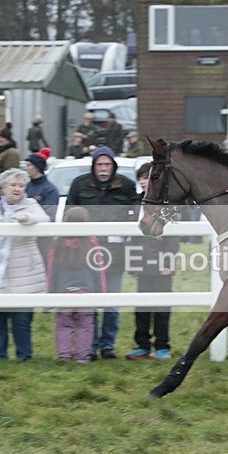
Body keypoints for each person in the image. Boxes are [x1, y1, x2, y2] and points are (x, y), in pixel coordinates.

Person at [66, 146, 140, 360]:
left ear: (113, 166)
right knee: (88, 301)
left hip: (115, 253)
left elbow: (134, 214)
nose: (103, 169)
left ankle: (107, 345)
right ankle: (88, 345)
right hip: (85, 253)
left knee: (112, 302)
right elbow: (69, 214)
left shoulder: (126, 186)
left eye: (107, 164)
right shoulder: (79, 184)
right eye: (99, 164)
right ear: (93, 165)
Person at [0, 168, 50, 361]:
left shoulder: (30, 205)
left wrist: (27, 218)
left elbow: (45, 219)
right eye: (13, 185)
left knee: (22, 319)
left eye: (21, 185)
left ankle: (24, 356)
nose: (17, 189)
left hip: (24, 271)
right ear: (3, 187)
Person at [125, 163, 179, 361]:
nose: (142, 181)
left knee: (162, 309)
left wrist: (168, 263)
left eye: (146, 177)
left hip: (162, 266)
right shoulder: (136, 203)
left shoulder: (167, 205)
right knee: (141, 308)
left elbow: (173, 239)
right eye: (140, 177)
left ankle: (163, 346)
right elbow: (131, 236)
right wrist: (132, 263)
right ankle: (142, 345)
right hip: (141, 264)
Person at [47, 206, 106, 363]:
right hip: (86, 292)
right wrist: (101, 294)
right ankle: (82, 356)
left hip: (63, 292)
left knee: (64, 325)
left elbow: (52, 272)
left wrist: (50, 294)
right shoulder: (92, 243)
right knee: (85, 326)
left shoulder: (57, 244)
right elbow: (98, 271)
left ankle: (64, 355)